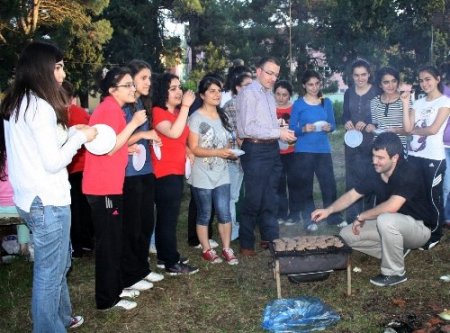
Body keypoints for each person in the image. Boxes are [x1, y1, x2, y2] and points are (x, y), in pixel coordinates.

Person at [0, 40, 97, 331]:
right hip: (48, 201)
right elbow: (54, 162)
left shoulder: (18, 103)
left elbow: (38, 148)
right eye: (58, 67)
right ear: (43, 69)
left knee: (56, 265)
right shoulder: (39, 107)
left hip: (30, 199)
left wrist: (70, 133)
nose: (63, 74)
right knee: (49, 272)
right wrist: (80, 138)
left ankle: (62, 318)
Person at [312, 132, 432, 287]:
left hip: (419, 229)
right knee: (346, 235)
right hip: (392, 226)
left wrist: (362, 216)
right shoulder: (375, 172)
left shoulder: (409, 171)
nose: (375, 161)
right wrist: (328, 210)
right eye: (374, 156)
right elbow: (352, 195)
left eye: (380, 158)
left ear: (394, 157)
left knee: (386, 218)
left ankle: (395, 273)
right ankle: (396, 251)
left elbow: (392, 206)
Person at [83, 67, 149, 311]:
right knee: (109, 243)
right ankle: (107, 299)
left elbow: (111, 145)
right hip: (103, 190)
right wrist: (134, 124)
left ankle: (116, 287)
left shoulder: (114, 109)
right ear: (112, 90)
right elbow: (110, 148)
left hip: (109, 186)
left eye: (133, 84)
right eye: (128, 85)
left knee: (115, 239)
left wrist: (126, 148)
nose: (133, 89)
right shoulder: (109, 110)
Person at [236, 56, 296, 256]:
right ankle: (246, 243)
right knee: (254, 197)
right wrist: (278, 133)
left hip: (271, 148)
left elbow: (268, 126)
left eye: (276, 74)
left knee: (271, 195)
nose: (272, 78)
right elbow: (247, 128)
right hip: (254, 149)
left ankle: (269, 237)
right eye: (269, 73)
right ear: (258, 71)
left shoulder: (269, 94)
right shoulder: (249, 93)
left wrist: (280, 132)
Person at [121, 60, 164, 290]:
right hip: (129, 174)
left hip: (146, 170)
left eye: (149, 78)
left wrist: (152, 138)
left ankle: (142, 268)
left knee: (147, 223)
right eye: (143, 78)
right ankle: (130, 274)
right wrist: (144, 134)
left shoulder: (141, 104)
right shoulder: (124, 107)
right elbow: (117, 141)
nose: (148, 82)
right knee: (133, 226)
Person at [188, 75, 239, 264]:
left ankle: (226, 248)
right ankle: (207, 249)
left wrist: (231, 153)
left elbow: (226, 143)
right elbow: (194, 148)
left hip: (222, 172)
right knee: (205, 213)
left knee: (224, 212)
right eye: (212, 91)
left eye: (219, 91)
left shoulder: (222, 115)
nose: (217, 94)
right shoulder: (195, 118)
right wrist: (219, 152)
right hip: (202, 173)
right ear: (202, 95)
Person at [151, 73, 199, 275]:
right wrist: (187, 107)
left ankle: (165, 256)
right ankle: (171, 262)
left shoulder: (177, 112)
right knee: (168, 218)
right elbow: (173, 132)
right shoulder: (157, 111)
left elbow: (181, 138)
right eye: (173, 88)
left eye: (179, 87)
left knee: (167, 217)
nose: (179, 91)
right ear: (163, 91)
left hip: (176, 169)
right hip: (164, 172)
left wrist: (188, 150)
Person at [402, 65, 450, 249]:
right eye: (421, 80)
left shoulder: (444, 102)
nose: (424, 83)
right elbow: (407, 128)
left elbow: (433, 129)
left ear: (437, 79)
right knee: (415, 195)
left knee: (432, 196)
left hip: (433, 158)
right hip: (414, 156)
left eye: (428, 79)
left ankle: (435, 234)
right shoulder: (419, 102)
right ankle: (418, 231)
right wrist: (406, 104)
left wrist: (412, 130)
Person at [289, 69, 343, 231]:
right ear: (304, 86)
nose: (314, 87)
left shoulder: (326, 102)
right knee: (306, 186)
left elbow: (333, 125)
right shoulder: (298, 104)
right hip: (304, 150)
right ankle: (309, 219)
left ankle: (333, 217)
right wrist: (303, 129)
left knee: (329, 185)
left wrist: (328, 127)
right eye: (310, 84)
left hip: (323, 150)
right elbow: (292, 129)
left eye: (317, 84)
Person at [342, 59, 378, 226]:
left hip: (371, 143)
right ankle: (351, 218)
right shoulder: (348, 93)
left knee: (370, 179)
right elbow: (344, 115)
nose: (360, 78)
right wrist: (347, 121)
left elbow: (380, 117)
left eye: (363, 74)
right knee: (351, 180)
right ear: (352, 76)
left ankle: (368, 217)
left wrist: (371, 123)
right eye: (356, 75)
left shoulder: (376, 92)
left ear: (368, 74)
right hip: (352, 143)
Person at [62, 81, 94, 258]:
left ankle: (78, 246)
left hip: (72, 167)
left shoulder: (60, 115)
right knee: (86, 206)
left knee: (75, 208)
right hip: (85, 165)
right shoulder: (80, 112)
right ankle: (88, 241)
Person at [223, 71, 253, 241]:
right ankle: (232, 230)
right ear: (237, 87)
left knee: (239, 195)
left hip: (246, 157)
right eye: (246, 86)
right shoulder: (233, 105)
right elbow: (236, 134)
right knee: (232, 197)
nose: (250, 89)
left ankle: (238, 225)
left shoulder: (250, 104)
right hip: (234, 158)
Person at [366, 66, 410, 152]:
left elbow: (409, 130)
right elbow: (377, 126)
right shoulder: (374, 102)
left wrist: (395, 130)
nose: (391, 85)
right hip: (380, 148)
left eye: (394, 81)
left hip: (399, 149)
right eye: (386, 82)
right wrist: (372, 128)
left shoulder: (405, 100)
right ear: (380, 84)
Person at [274, 80, 299, 226]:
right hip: (276, 152)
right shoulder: (270, 109)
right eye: (278, 94)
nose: (281, 97)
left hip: (293, 151)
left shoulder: (294, 108)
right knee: (279, 184)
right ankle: (281, 213)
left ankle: (294, 214)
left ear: (289, 95)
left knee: (293, 183)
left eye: (284, 95)